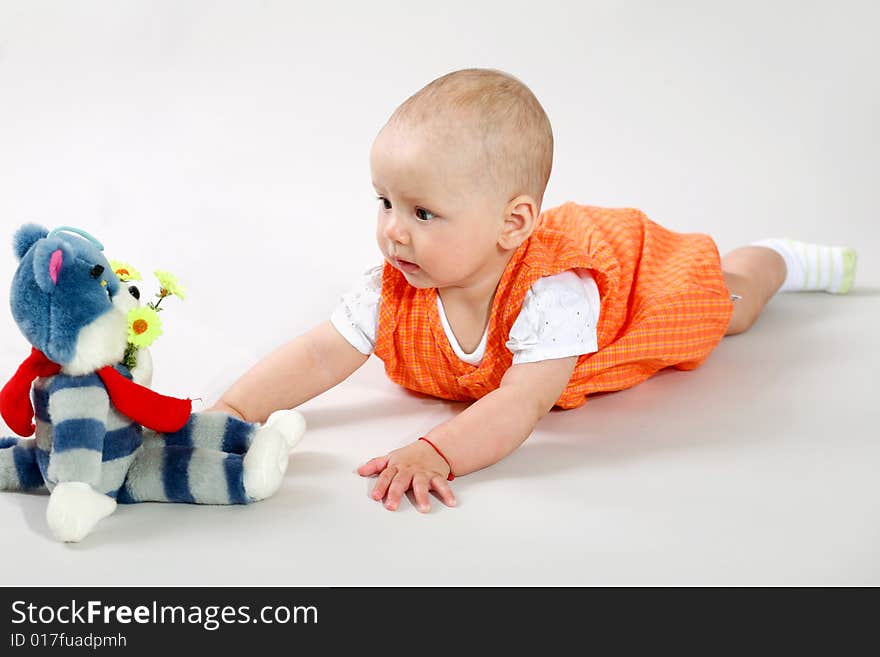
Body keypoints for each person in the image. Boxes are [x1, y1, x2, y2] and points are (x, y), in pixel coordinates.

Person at [208, 68, 857, 513]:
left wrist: (437, 450)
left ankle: (782, 258)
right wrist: (236, 406)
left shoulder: (553, 296)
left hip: (637, 291)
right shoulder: (392, 290)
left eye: (422, 213)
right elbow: (322, 352)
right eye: (385, 202)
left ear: (512, 223)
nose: (393, 233)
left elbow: (521, 402)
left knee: (729, 304)